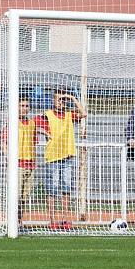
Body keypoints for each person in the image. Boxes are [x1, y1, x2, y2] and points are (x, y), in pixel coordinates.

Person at [35, 88, 87, 229]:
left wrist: (72, 98)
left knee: (66, 188)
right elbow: (33, 125)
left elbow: (84, 114)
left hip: (67, 156)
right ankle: (52, 220)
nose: (61, 102)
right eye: (59, 99)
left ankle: (64, 219)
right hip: (52, 156)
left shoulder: (69, 115)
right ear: (53, 100)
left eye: (63, 99)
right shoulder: (47, 115)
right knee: (52, 188)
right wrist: (43, 131)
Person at [0, 95, 48, 221]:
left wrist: (45, 132)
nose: (24, 108)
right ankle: (12, 222)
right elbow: (3, 142)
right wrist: (9, 159)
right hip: (18, 165)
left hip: (31, 164)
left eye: (26, 106)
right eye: (22, 106)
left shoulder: (31, 123)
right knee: (15, 195)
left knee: (25, 197)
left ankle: (19, 221)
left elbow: (33, 133)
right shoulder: (12, 123)